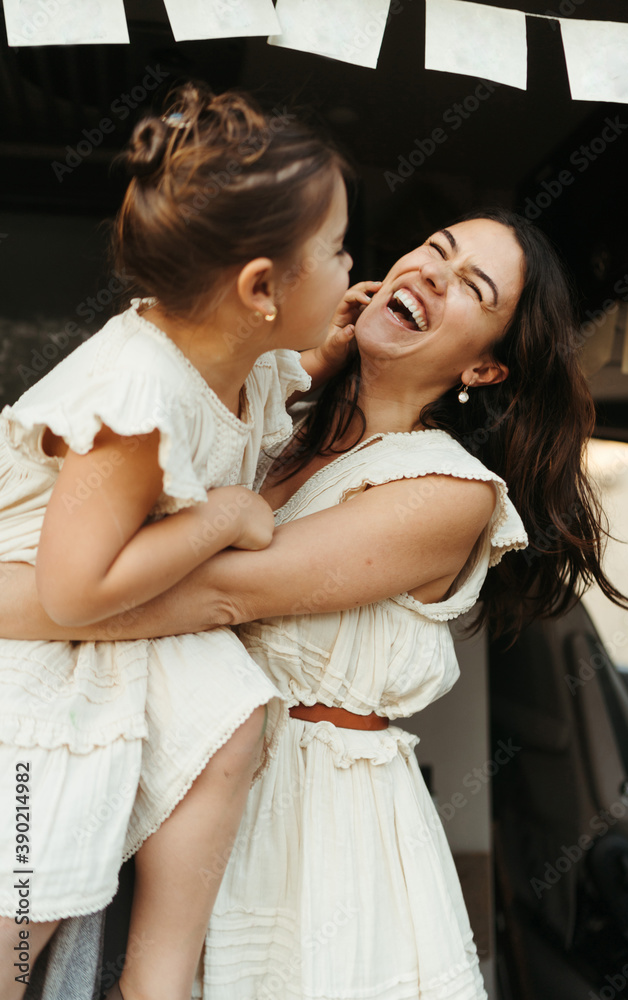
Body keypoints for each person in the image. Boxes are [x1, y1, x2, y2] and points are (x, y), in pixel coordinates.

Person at [0, 211, 628, 999]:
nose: (434, 274)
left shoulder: (447, 492)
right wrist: (300, 360)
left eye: (472, 286)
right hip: (167, 781)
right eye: (435, 250)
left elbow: (222, 594)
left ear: (483, 367)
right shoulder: (271, 418)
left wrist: (17, 602)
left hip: (311, 833)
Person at [0, 82, 356, 1000]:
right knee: (20, 914)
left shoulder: (237, 358)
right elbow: (71, 590)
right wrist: (222, 518)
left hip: (108, 639)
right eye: (336, 248)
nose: (352, 262)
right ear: (261, 288)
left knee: (230, 711)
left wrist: (329, 346)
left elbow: (274, 373)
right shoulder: (138, 399)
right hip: (38, 653)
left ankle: (155, 981)